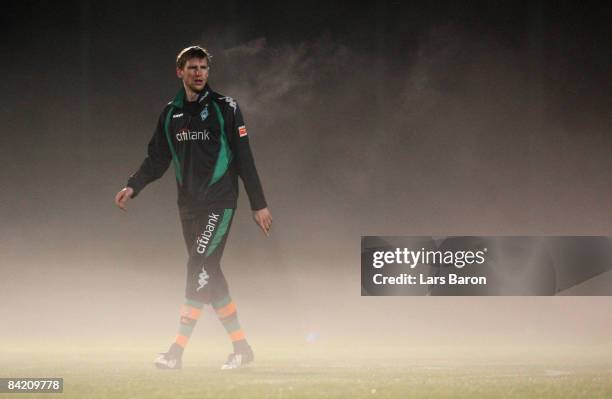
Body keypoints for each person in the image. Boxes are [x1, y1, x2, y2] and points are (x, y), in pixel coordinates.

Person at [114, 45, 272, 370]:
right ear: (180, 72)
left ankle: (176, 351)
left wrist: (259, 204)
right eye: (193, 68)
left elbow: (245, 158)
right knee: (211, 277)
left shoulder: (225, 108)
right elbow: (157, 158)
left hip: (220, 203)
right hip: (187, 208)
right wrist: (134, 185)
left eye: (203, 67)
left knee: (198, 267)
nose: (199, 73)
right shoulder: (170, 114)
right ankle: (242, 348)